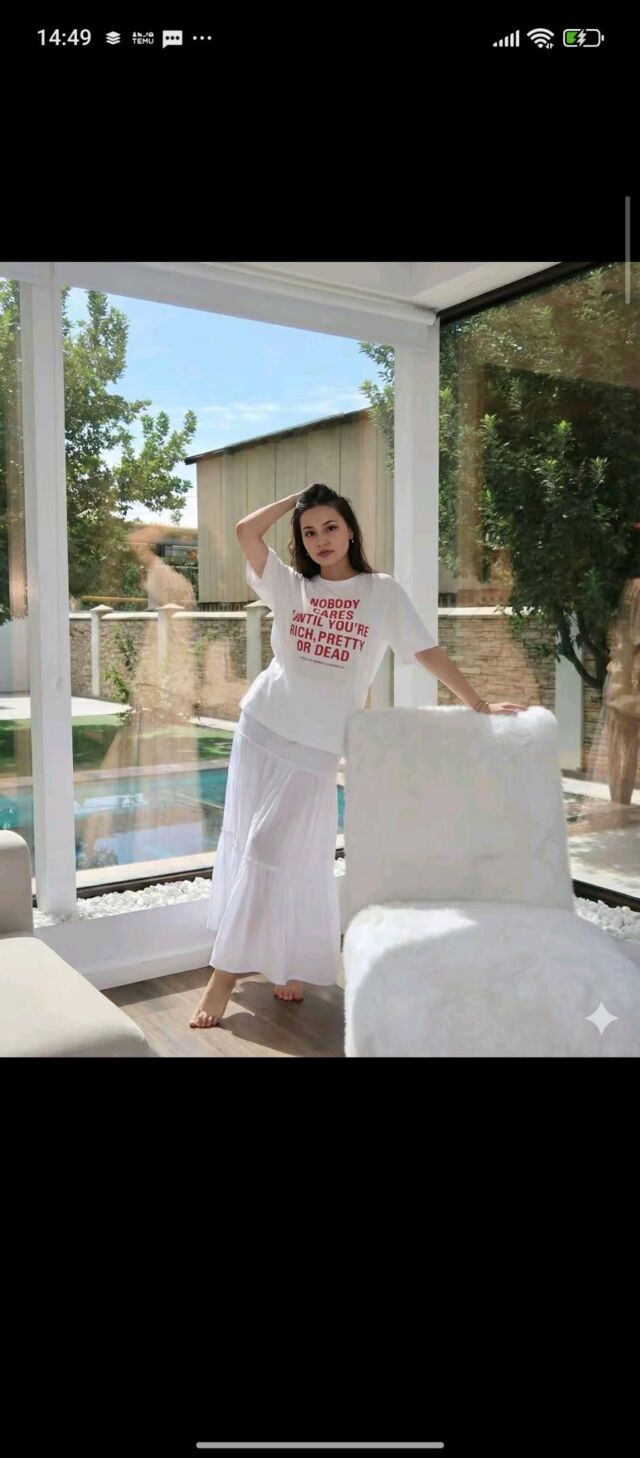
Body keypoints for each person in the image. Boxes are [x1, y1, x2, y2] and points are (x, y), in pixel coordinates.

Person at [190, 483, 527, 1029]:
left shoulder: (380, 592)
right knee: (259, 845)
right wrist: (296, 499)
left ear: (350, 530)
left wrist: (480, 704)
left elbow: (426, 650)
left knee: (275, 848)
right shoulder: (291, 585)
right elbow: (245, 531)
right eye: (309, 532)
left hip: (318, 744)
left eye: (330, 526)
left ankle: (224, 979)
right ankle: (281, 963)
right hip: (263, 728)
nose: (320, 539)